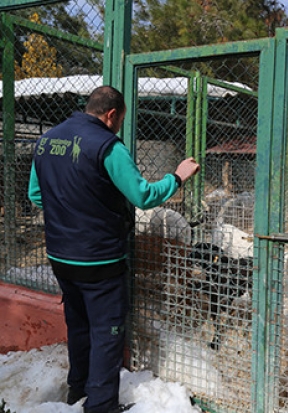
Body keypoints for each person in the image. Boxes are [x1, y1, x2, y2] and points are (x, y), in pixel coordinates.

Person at [28, 85, 200, 413]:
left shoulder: (47, 139)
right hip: (99, 259)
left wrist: (71, 210)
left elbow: (36, 195)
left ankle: (77, 390)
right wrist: (177, 177)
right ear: (111, 115)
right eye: (120, 119)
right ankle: (101, 406)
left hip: (60, 256)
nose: (119, 125)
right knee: (107, 334)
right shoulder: (107, 146)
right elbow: (143, 196)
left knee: (79, 324)